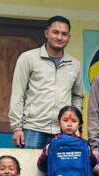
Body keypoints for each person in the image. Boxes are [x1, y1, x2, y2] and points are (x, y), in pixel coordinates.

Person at [9, 15, 83, 150]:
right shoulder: (28, 58)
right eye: (55, 32)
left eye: (64, 34)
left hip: (62, 131)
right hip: (33, 128)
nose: (60, 37)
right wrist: (17, 127)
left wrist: (75, 125)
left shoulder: (75, 64)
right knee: (30, 164)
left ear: (69, 37)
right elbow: (18, 93)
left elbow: (77, 97)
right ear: (46, 33)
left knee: (62, 164)